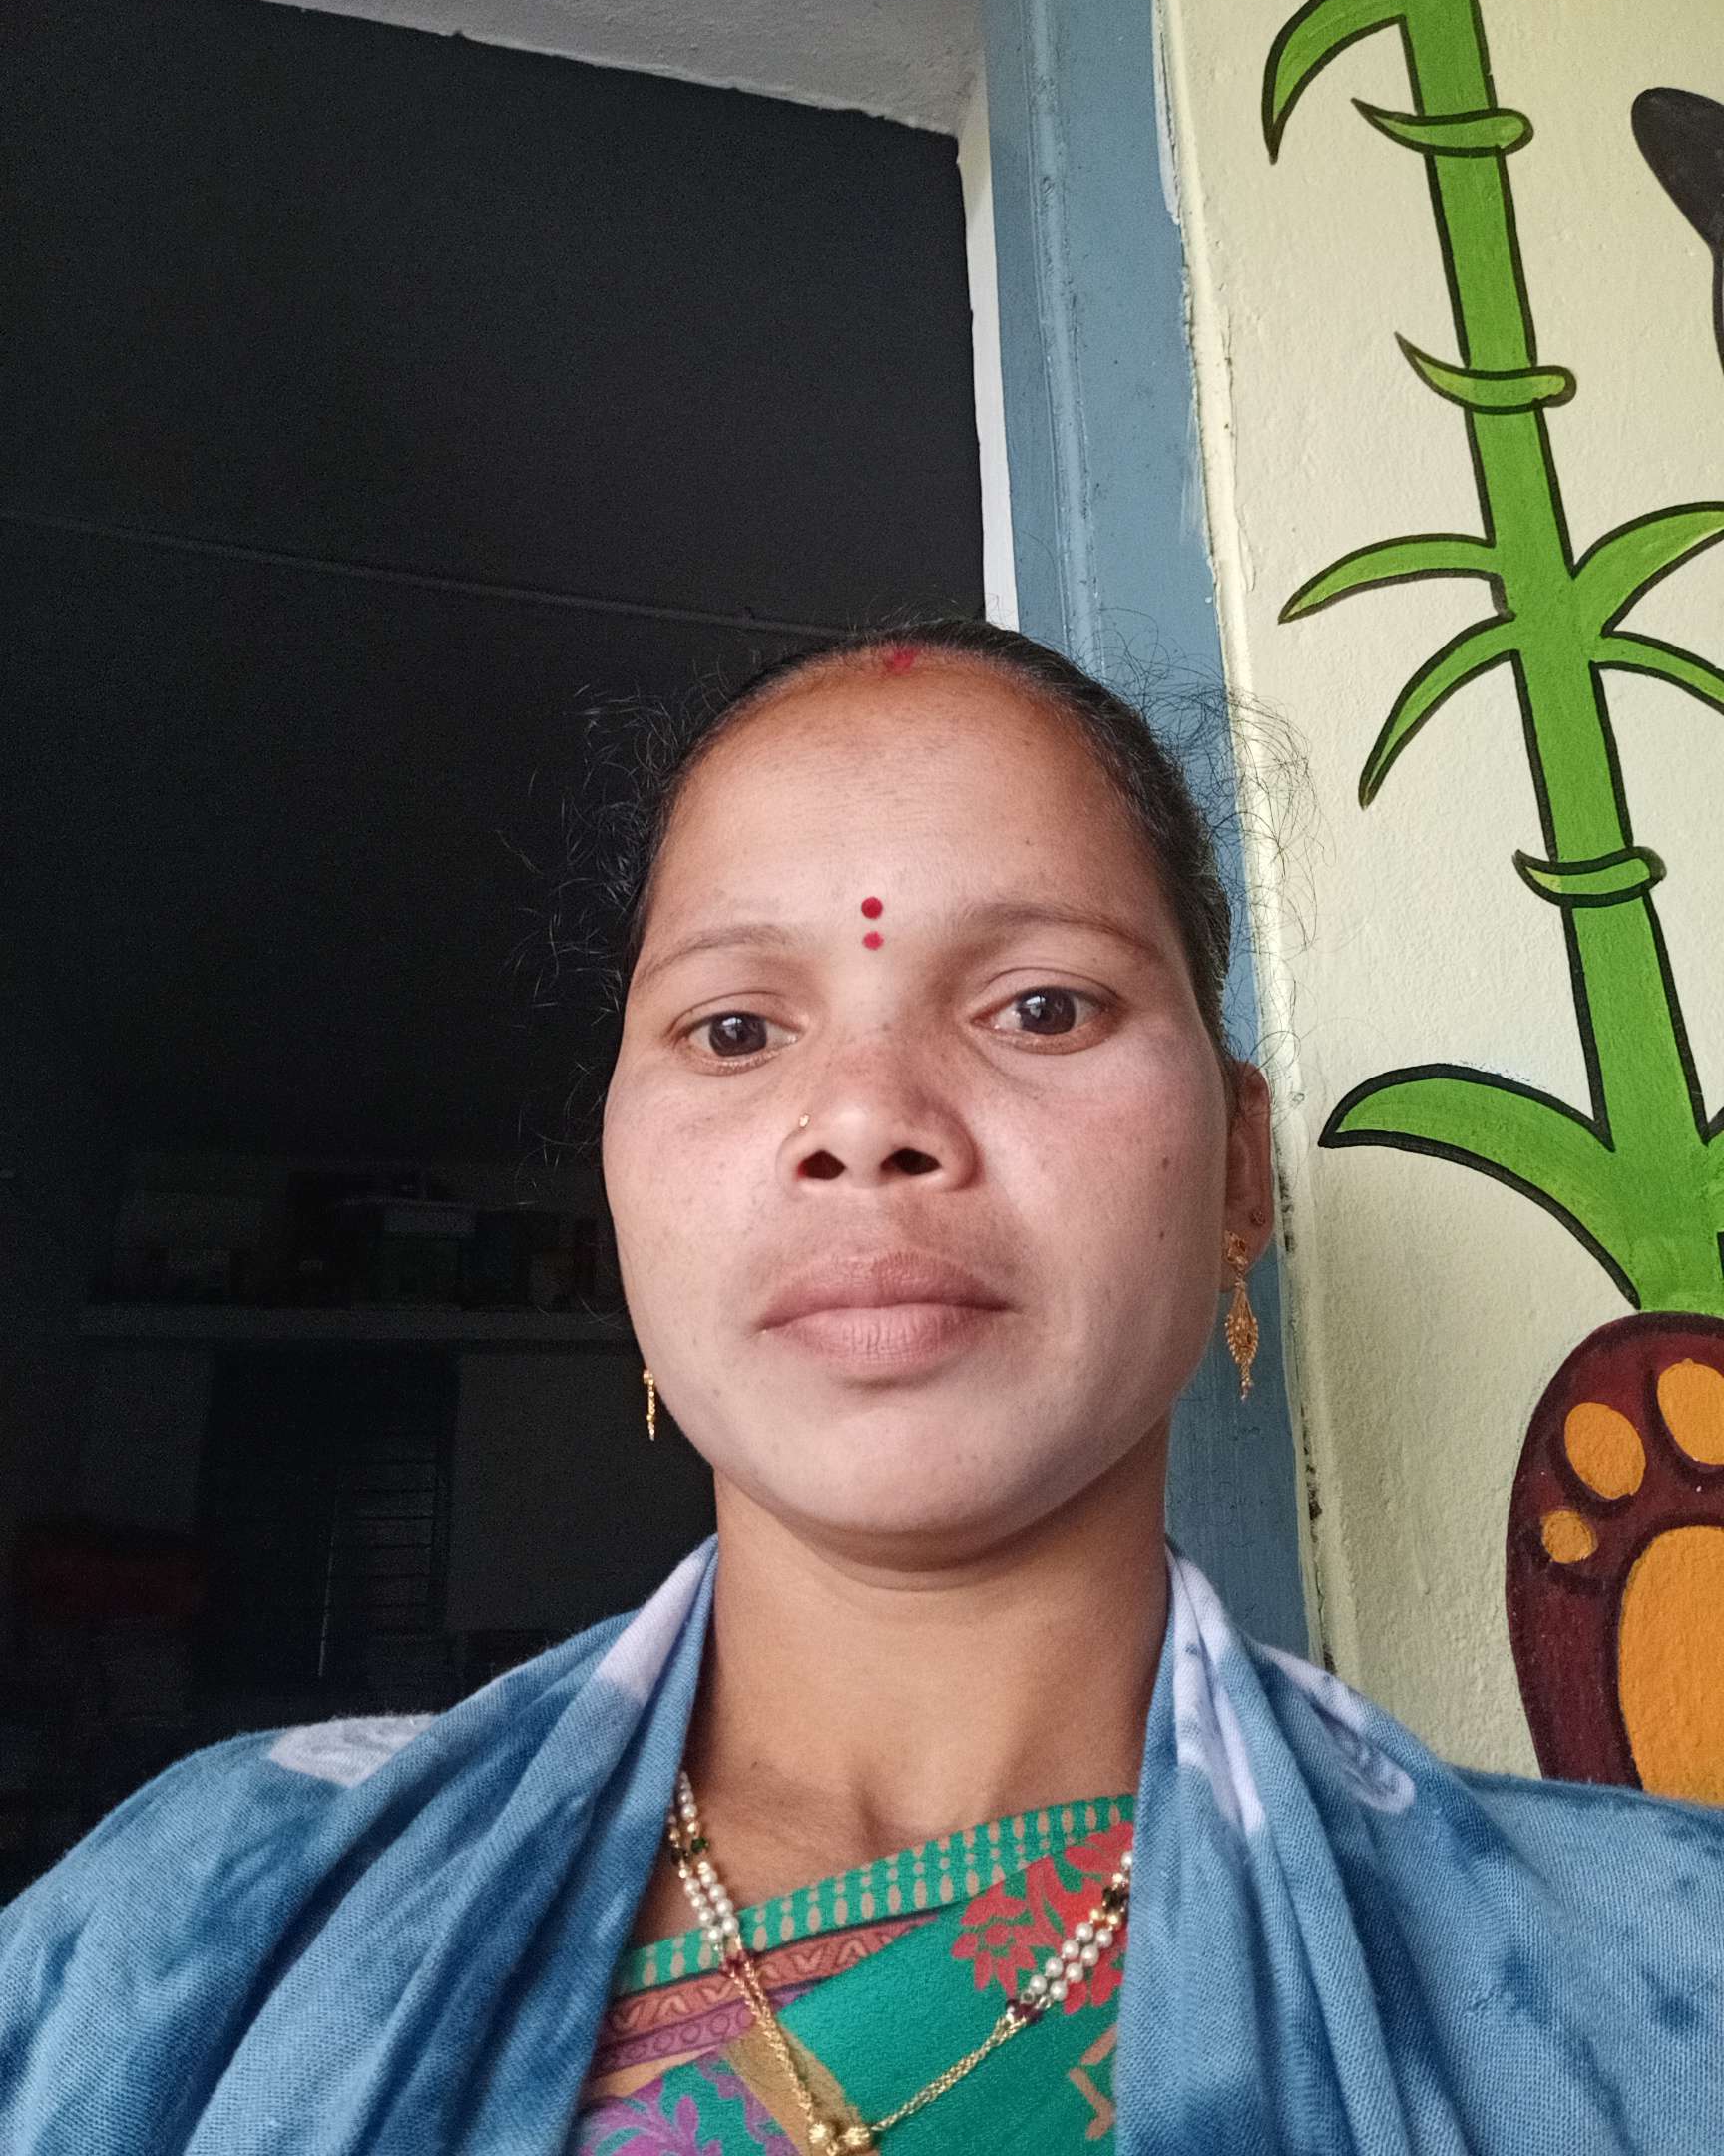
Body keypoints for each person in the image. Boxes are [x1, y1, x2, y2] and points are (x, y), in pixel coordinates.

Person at [2, 618, 1722, 2156]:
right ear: (618, 1190)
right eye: (737, 1031)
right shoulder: (188, 1926)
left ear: (1236, 1173)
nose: (866, 1118)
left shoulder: (1659, 1981)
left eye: (1042, 1006)